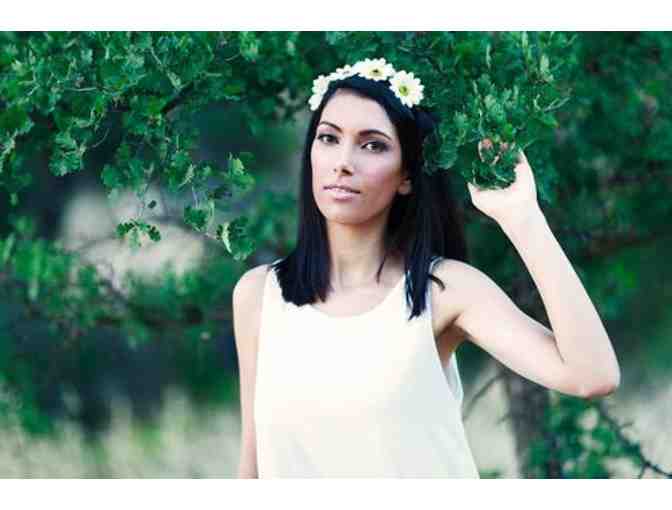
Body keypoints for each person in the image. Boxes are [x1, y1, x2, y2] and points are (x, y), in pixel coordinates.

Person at [233, 58, 621, 478]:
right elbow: (253, 464)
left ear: (406, 175)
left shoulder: (443, 290)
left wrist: (521, 215)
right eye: (329, 138)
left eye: (373, 145)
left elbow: (593, 376)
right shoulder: (260, 295)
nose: (342, 162)